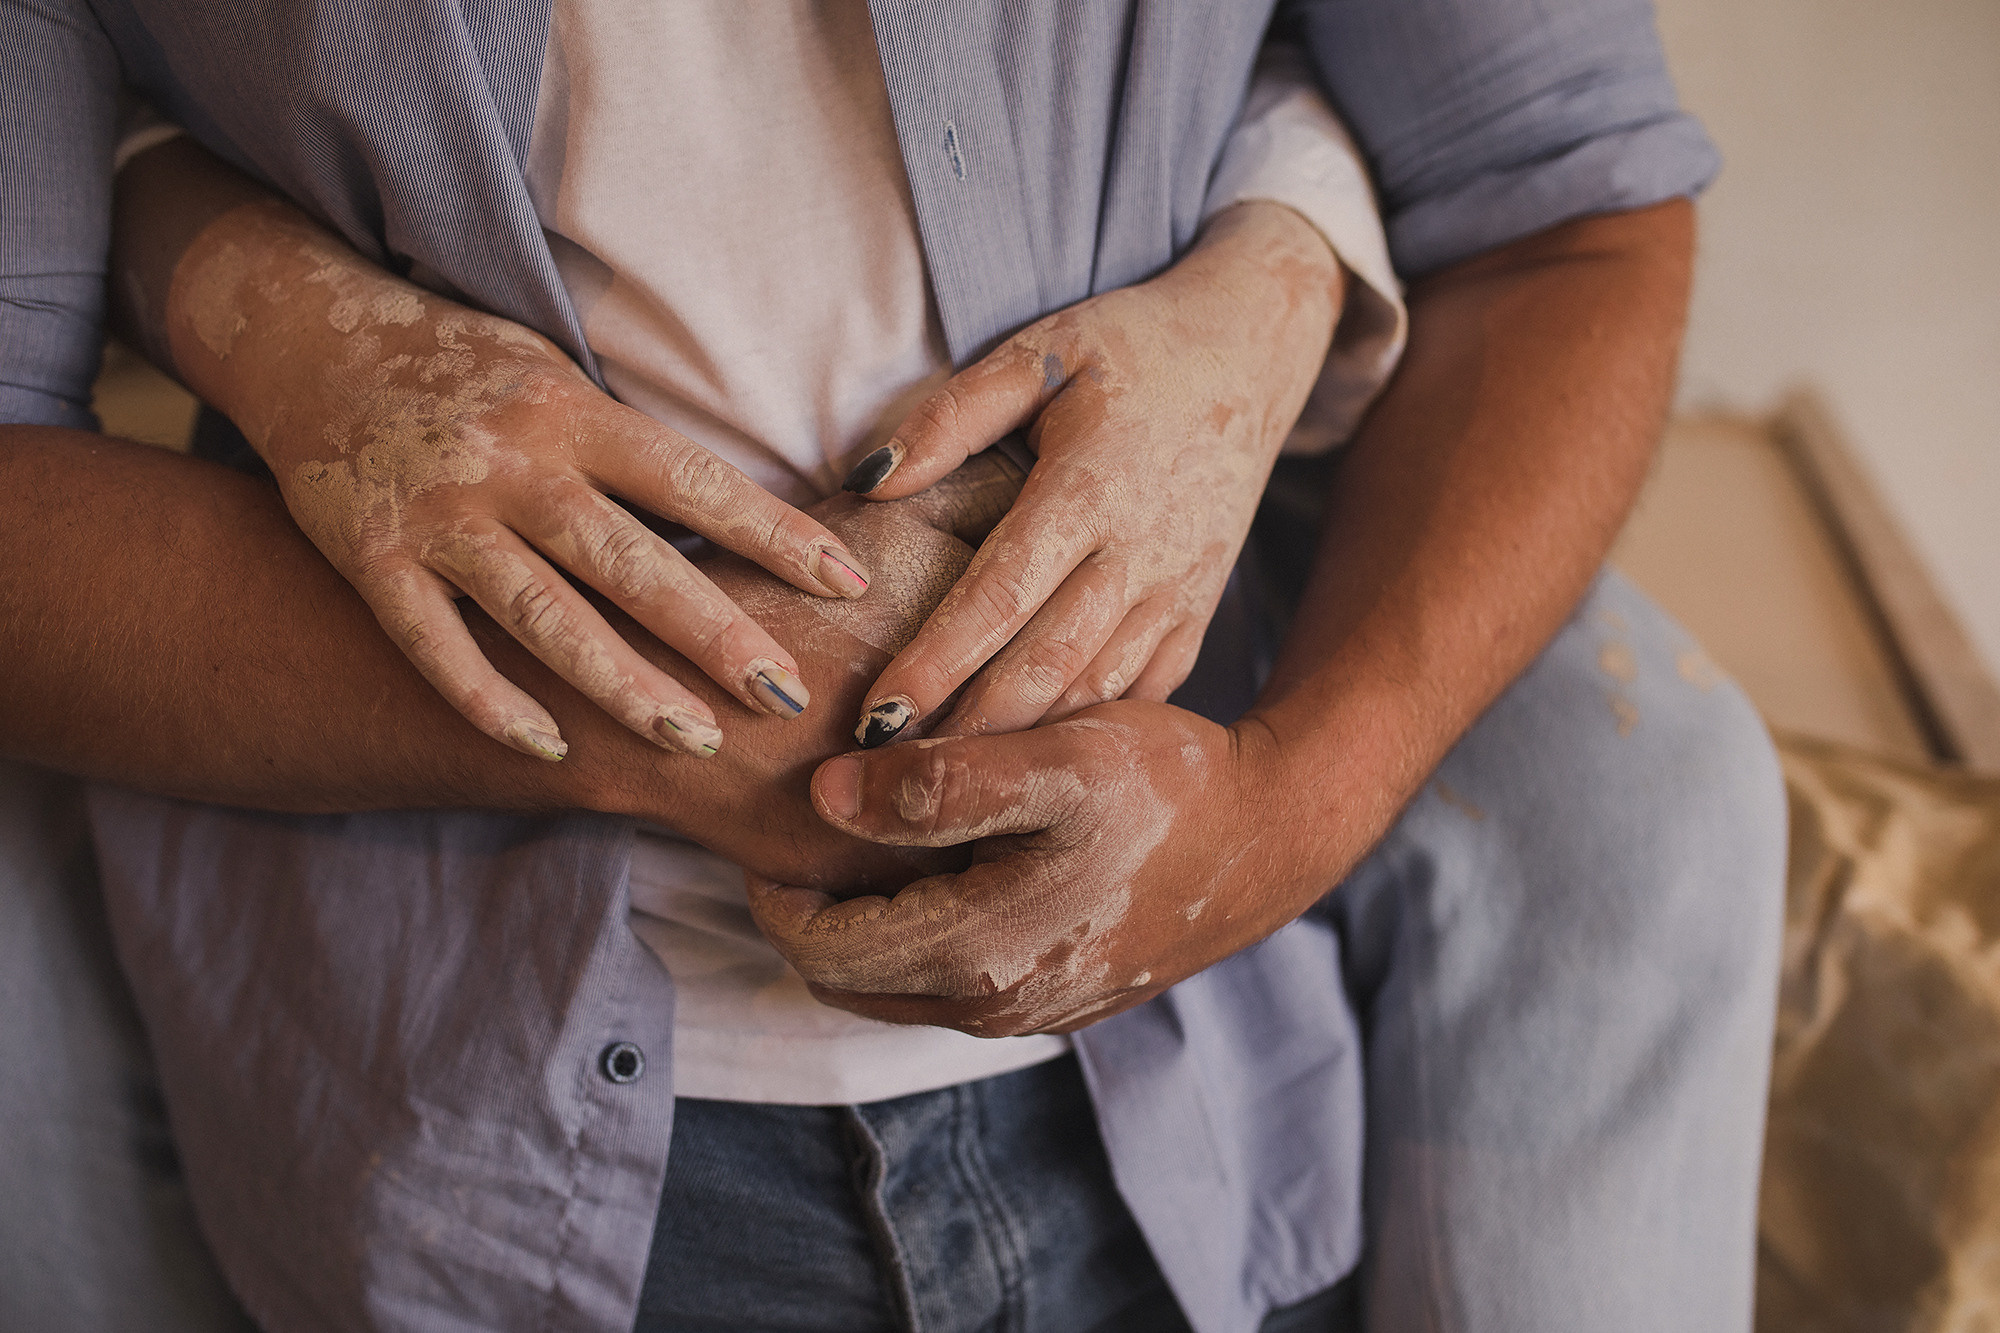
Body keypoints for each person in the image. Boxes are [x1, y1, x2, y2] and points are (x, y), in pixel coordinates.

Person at [0, 3, 1786, 1331]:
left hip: (1205, 1090)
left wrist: (1280, 818)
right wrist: (664, 719)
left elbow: (1561, 207)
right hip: (478, 1138)